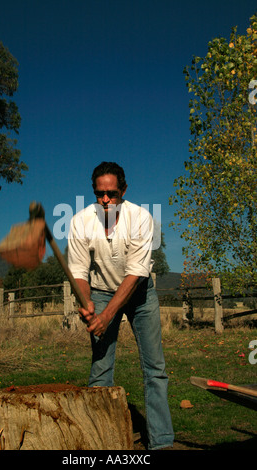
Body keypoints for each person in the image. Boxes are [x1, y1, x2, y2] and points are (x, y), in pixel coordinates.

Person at [68, 161, 174, 450]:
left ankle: (161, 442)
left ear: (123, 191)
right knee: (101, 367)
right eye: (99, 194)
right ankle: (100, 441)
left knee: (155, 368)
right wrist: (87, 301)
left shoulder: (141, 218)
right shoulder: (80, 222)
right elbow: (78, 271)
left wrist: (107, 315)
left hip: (139, 294)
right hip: (100, 290)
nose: (105, 200)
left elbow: (136, 273)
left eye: (112, 194)